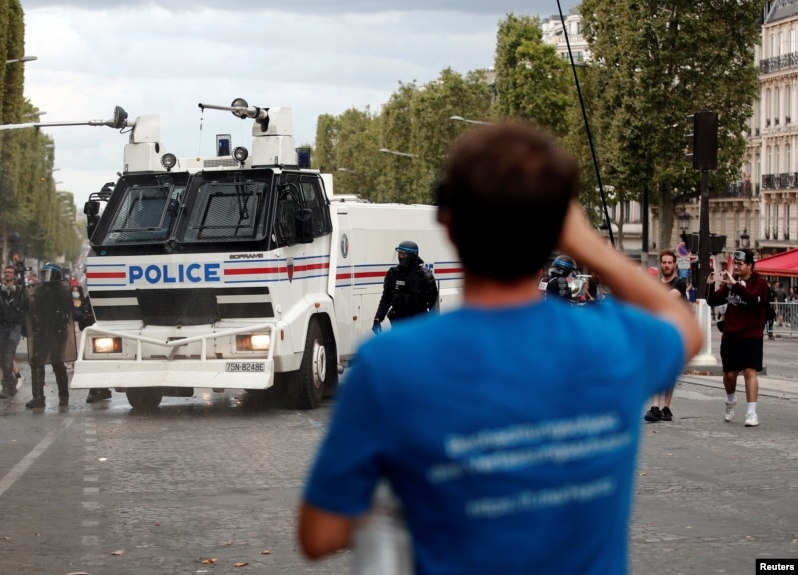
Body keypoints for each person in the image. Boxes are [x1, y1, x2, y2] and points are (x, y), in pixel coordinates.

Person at [298, 121, 702, 574]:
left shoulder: (391, 366)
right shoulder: (612, 342)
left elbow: (320, 533)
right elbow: (684, 327)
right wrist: (589, 244)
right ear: (556, 232)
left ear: (448, 224)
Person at [706, 248, 770, 427]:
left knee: (750, 371)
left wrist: (734, 285)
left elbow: (753, 299)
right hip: (731, 334)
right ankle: (730, 401)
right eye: (735, 264)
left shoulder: (760, 283)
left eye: (740, 264)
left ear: (750, 265)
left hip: (752, 334)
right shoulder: (730, 283)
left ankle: (751, 412)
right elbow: (713, 301)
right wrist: (710, 285)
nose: (737, 267)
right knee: (729, 374)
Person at [644, 249, 689, 423]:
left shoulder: (680, 283)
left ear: (675, 264)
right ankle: (655, 407)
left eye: (670, 262)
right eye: (664, 262)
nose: (667, 265)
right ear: (660, 264)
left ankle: (666, 407)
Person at [24, 263, 75, 408]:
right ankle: (38, 397)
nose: (45, 277)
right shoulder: (39, 290)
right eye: (44, 273)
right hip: (42, 330)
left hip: (57, 331)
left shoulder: (63, 291)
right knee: (37, 361)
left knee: (57, 361)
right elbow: (32, 309)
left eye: (48, 274)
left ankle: (63, 397)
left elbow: (68, 310)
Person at [372, 241, 438, 334]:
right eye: (399, 254)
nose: (400, 257)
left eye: (403, 255)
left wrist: (433, 328)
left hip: (418, 323)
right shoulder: (393, 273)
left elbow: (433, 305)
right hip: (398, 323)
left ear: (412, 256)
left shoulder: (424, 275)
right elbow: (386, 298)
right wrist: (378, 318)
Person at [0, 264, 27, 399]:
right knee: (0, 358)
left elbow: (26, 299)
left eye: (10, 272)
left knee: (8, 359)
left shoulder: (19, 289)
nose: (7, 274)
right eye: (5, 272)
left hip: (15, 326)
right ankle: (11, 383)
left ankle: (7, 387)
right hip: (2, 326)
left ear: (15, 275)